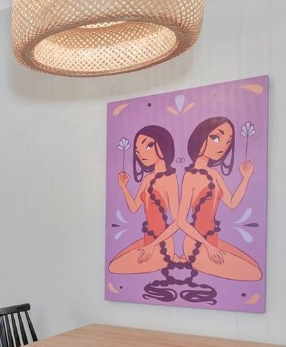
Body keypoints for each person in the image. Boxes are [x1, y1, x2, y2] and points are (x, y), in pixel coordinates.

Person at [172, 116, 262, 285]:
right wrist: (208, 246)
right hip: (197, 245)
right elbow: (180, 221)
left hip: (214, 241)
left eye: (228, 142)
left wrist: (246, 177)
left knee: (255, 269)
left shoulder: (214, 174)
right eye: (216, 138)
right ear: (200, 138)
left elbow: (232, 203)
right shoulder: (190, 176)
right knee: (253, 273)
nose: (223, 146)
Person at [108, 125, 180, 275]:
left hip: (162, 245)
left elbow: (177, 223)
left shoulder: (170, 179)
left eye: (148, 146)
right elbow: (134, 207)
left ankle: (170, 257)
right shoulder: (147, 179)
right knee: (113, 265)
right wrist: (123, 186)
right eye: (137, 151)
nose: (141, 154)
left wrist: (153, 245)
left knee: (115, 267)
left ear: (163, 145)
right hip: (147, 239)